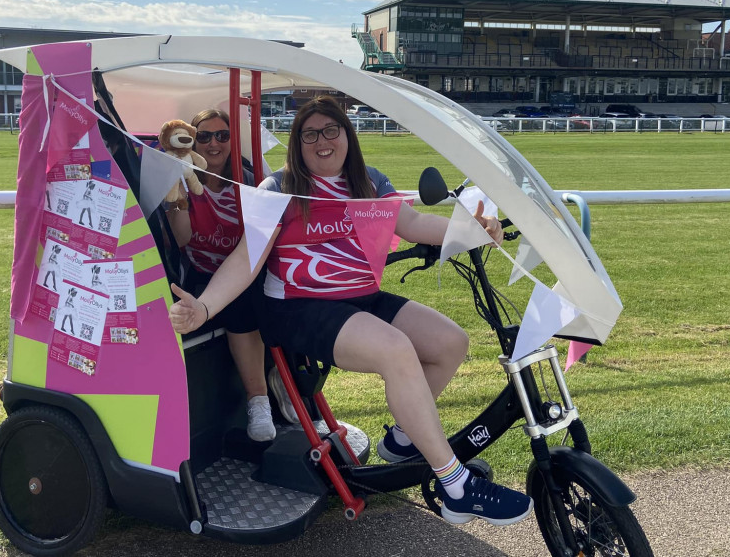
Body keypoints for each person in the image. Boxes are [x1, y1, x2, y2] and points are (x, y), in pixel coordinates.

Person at [169, 97, 532, 527]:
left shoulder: (369, 181)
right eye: (309, 133)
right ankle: (456, 486)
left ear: (347, 135)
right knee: (396, 350)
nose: (321, 141)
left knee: (451, 342)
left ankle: (401, 440)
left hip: (359, 295)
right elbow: (248, 256)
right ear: (297, 144)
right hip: (298, 306)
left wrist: (473, 231)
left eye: (330, 130)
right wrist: (205, 306)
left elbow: (412, 224)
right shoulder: (279, 188)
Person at [165, 108, 297, 442]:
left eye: (222, 135)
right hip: (204, 274)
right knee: (240, 300)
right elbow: (181, 239)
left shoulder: (252, 179)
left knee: (286, 287)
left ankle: (284, 375)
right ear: (192, 140)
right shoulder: (182, 177)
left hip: (250, 269)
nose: (214, 143)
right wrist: (175, 196)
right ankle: (258, 400)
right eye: (204, 136)